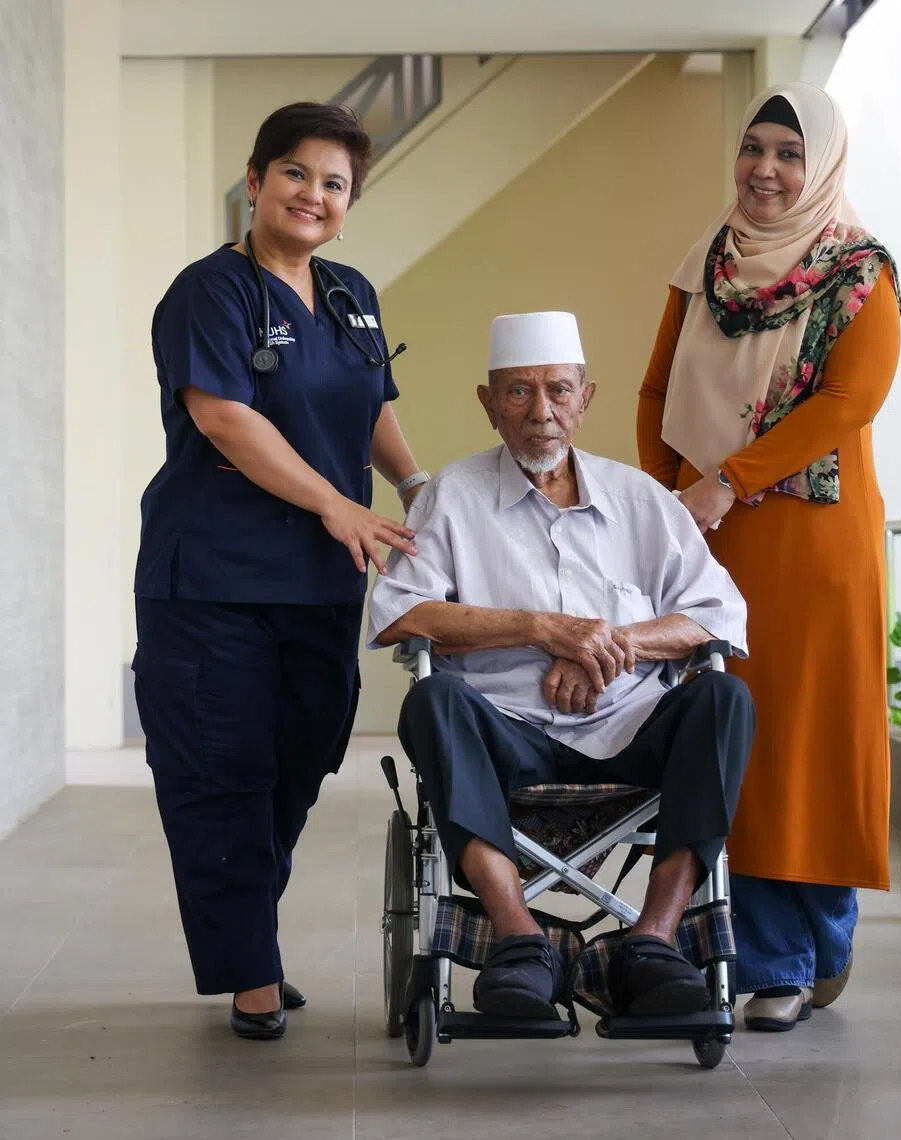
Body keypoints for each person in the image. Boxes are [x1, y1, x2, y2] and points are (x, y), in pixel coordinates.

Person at [132, 102, 428, 1040]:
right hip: (213, 579)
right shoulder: (209, 292)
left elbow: (372, 401)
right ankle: (251, 974)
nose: (313, 195)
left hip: (319, 585)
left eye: (334, 183)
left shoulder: (350, 294)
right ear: (255, 182)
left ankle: (245, 930)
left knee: (299, 762)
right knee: (225, 770)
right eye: (295, 173)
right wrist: (339, 504)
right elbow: (224, 417)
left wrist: (419, 487)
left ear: (349, 204)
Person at [369, 311, 755, 1019]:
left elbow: (718, 615)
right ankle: (520, 943)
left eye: (557, 391)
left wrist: (610, 646)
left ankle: (654, 943)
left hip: (631, 730)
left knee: (725, 700)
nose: (540, 413)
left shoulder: (642, 500)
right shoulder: (451, 499)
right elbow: (401, 614)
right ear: (489, 405)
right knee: (431, 703)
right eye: (518, 393)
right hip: (506, 737)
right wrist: (543, 630)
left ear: (586, 399)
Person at [636, 83, 901, 1031]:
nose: (766, 170)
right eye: (754, 148)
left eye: (790, 153)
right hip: (713, 538)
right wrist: (671, 498)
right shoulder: (704, 264)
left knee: (808, 746)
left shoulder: (858, 271)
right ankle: (778, 958)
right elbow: (658, 388)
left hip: (814, 545)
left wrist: (726, 480)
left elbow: (846, 403)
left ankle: (809, 952)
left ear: (821, 164)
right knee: (737, 739)